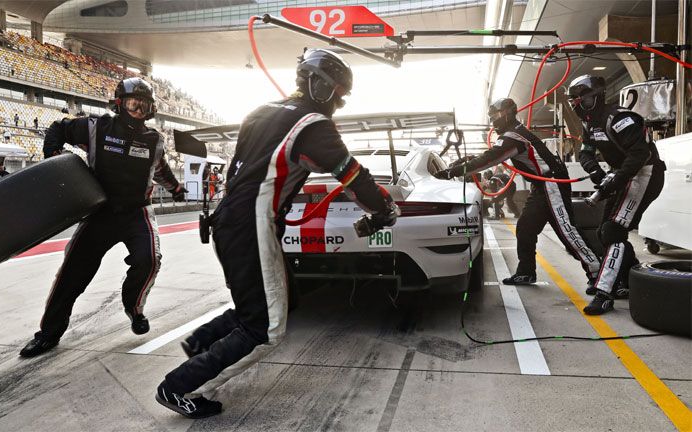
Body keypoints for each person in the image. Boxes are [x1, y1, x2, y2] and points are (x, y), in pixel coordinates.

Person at [155, 48, 399, 419]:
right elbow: (353, 177)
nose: (339, 104)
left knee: (284, 299)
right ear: (322, 86)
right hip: (251, 225)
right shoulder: (314, 124)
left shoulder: (260, 111)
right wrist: (384, 209)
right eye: (338, 95)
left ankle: (200, 342)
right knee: (266, 328)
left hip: (230, 221)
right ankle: (181, 386)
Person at [19, 77, 188, 358]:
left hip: (137, 214)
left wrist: (177, 189)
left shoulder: (154, 140)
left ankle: (133, 308)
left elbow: (161, 170)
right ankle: (48, 333)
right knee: (71, 274)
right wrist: (53, 158)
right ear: (120, 103)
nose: (139, 110)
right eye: (134, 104)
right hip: (100, 213)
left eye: (144, 106)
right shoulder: (95, 127)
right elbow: (58, 129)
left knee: (150, 260)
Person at [436, 98, 600, 288]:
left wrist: (450, 172)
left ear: (507, 113)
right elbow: (493, 155)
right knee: (525, 228)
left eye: (495, 115)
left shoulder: (512, 136)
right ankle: (526, 273)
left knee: (567, 231)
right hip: (541, 185)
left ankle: (597, 273)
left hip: (551, 184)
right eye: (491, 116)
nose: (493, 120)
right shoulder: (513, 133)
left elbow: (488, 160)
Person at [568, 75, 665, 315]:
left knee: (614, 230)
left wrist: (616, 180)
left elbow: (640, 154)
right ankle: (630, 278)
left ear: (594, 98)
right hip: (621, 174)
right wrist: (596, 172)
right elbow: (585, 154)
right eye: (574, 101)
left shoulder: (621, 118)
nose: (576, 105)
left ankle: (605, 292)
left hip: (646, 173)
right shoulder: (590, 124)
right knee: (605, 232)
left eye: (580, 100)